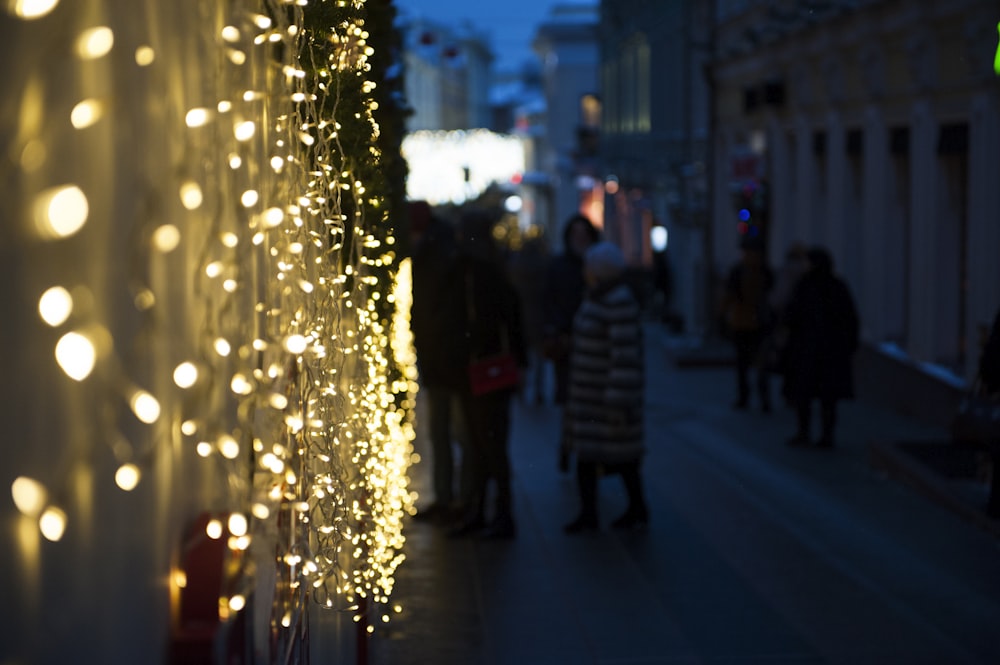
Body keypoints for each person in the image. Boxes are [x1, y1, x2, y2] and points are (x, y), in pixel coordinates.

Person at [444, 209, 528, 539]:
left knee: (483, 445)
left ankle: (490, 513)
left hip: (476, 370)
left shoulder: (467, 271)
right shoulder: (494, 270)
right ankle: (492, 512)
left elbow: (462, 323)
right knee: (490, 444)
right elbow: (513, 320)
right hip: (491, 370)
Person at [563, 241, 647, 533]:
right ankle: (595, 513)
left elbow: (624, 357)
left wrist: (617, 403)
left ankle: (633, 509)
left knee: (620, 459)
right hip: (591, 397)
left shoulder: (616, 302)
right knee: (593, 458)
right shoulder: (598, 297)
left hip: (604, 399)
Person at [408, 201, 462, 523]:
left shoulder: (434, 252)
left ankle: (452, 498)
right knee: (447, 430)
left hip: (443, 355)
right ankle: (453, 497)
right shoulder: (437, 247)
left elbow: (431, 307)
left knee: (447, 429)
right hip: (441, 354)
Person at [781, 246, 860, 448]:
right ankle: (824, 435)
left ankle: (806, 433)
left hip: (810, 351)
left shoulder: (807, 286)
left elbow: (791, 315)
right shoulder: (836, 286)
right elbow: (851, 319)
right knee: (826, 398)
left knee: (807, 395)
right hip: (829, 352)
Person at [542, 214, 601, 469]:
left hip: (594, 346)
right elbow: (550, 300)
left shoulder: (598, 266)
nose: (580, 238)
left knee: (591, 403)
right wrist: (556, 329)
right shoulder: (559, 266)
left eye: (583, 234)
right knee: (568, 400)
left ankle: (586, 451)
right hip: (567, 343)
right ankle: (568, 445)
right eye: (575, 234)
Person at [720, 238, 775, 412]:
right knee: (746, 365)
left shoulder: (762, 272)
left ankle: (758, 398)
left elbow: (772, 297)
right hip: (745, 323)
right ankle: (749, 398)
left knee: (756, 365)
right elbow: (729, 295)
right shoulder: (742, 271)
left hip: (756, 323)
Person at [507, 233, 550, 405]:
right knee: (538, 359)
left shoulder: (516, 267)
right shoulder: (543, 266)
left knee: (523, 358)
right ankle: (538, 391)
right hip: (539, 317)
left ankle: (522, 388)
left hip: (522, 318)